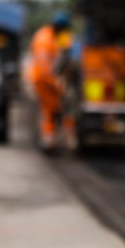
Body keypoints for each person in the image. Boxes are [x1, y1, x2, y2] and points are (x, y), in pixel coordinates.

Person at [28, 10, 74, 151]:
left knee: (49, 110)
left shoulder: (41, 34)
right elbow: (58, 62)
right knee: (56, 109)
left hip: (40, 78)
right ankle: (56, 139)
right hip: (46, 80)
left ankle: (51, 138)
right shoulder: (50, 39)